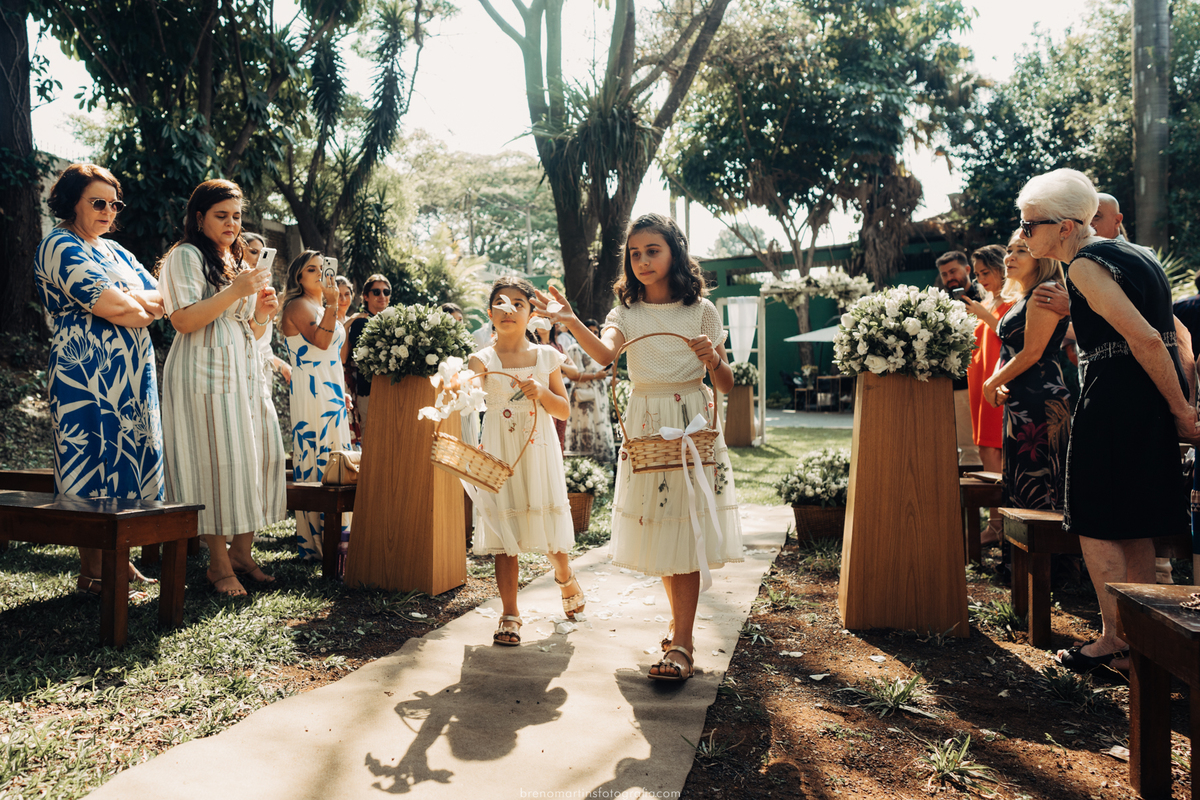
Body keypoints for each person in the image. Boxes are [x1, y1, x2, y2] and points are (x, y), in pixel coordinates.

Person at [535, 212, 744, 682]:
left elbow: (726, 384)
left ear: (675, 252)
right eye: (635, 253)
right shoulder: (625, 313)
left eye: (653, 250)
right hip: (647, 425)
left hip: (691, 422)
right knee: (667, 528)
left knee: (686, 531)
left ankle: (684, 644)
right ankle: (679, 628)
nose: (644, 261)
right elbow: (607, 355)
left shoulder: (702, 311)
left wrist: (713, 360)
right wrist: (569, 322)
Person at [1014, 169, 1197, 674]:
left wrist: (1183, 411)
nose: (1025, 235)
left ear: (1066, 228)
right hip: (1145, 400)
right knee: (1135, 523)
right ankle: (1141, 642)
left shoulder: (1085, 266)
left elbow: (1143, 338)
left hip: (1114, 401)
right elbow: (1174, 336)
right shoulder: (1139, 255)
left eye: (1031, 226)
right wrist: (1178, 400)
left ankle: (1116, 639)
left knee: (1094, 519)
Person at [34, 163, 165, 599]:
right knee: (90, 455)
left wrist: (130, 304)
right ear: (71, 200)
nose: (109, 211)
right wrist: (130, 304)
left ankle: (119, 560)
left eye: (114, 203)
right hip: (84, 370)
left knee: (127, 456)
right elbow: (112, 306)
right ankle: (92, 570)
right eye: (98, 202)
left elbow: (161, 301)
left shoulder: (118, 253)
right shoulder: (58, 244)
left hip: (132, 373)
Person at [159, 179, 286, 597]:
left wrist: (264, 313)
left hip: (243, 369)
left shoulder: (232, 260)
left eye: (236, 215)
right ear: (199, 217)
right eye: (221, 215)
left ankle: (241, 553)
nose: (232, 223)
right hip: (202, 370)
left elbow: (246, 325)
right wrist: (236, 291)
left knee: (255, 456)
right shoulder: (186, 256)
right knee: (215, 462)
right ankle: (217, 564)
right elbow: (183, 319)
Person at [459, 277, 582, 646]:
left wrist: (542, 392)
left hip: (539, 449)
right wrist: (460, 384)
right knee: (503, 533)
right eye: (500, 302)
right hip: (500, 450)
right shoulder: (482, 358)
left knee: (548, 527)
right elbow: (470, 393)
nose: (509, 309)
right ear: (489, 313)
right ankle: (510, 612)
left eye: (518, 303)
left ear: (532, 313)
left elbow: (563, 411)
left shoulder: (545, 357)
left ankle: (564, 575)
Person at [983, 231, 1072, 513]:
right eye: (1008, 250)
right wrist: (1000, 382)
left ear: (1041, 256)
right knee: (1023, 483)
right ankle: (1022, 557)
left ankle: (1051, 558)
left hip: (1041, 402)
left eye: (1021, 250)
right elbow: (1009, 350)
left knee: (1041, 486)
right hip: (1021, 401)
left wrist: (990, 383)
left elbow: (1032, 352)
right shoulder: (1024, 296)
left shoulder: (1045, 292)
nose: (1009, 257)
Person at [281, 251, 356, 570]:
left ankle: (340, 536)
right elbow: (322, 343)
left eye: (320, 268)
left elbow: (336, 358)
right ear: (298, 277)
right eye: (310, 269)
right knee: (319, 453)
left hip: (331, 388)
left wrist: (342, 391)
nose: (317, 273)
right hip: (311, 390)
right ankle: (315, 540)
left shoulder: (326, 307)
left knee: (339, 454)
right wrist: (331, 304)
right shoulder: (298, 305)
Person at [962, 245, 1014, 544]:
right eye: (978, 274)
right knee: (985, 448)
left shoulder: (1012, 301)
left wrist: (983, 314)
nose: (981, 279)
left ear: (1001, 269)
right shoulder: (989, 301)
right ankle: (997, 522)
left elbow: (1013, 335)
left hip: (998, 381)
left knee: (995, 449)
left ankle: (1000, 523)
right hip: (979, 380)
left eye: (986, 272)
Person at [937, 250, 984, 467]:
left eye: (953, 271)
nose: (949, 277)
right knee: (957, 446)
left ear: (967, 269)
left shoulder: (984, 297)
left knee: (975, 446)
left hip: (979, 380)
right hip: (951, 383)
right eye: (944, 274)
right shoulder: (939, 304)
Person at [341, 273, 391, 433]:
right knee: (370, 438)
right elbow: (365, 359)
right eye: (376, 292)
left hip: (392, 390)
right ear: (365, 296)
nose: (382, 296)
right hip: (370, 391)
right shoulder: (360, 322)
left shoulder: (393, 321)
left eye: (386, 292)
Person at [563, 318, 617, 462]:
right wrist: (595, 375)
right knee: (584, 428)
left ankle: (602, 468)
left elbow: (602, 373)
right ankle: (582, 466)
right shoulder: (575, 348)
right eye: (590, 331)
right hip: (583, 397)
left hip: (599, 395)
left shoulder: (599, 351)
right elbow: (572, 375)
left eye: (596, 332)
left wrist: (606, 378)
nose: (593, 334)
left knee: (600, 428)